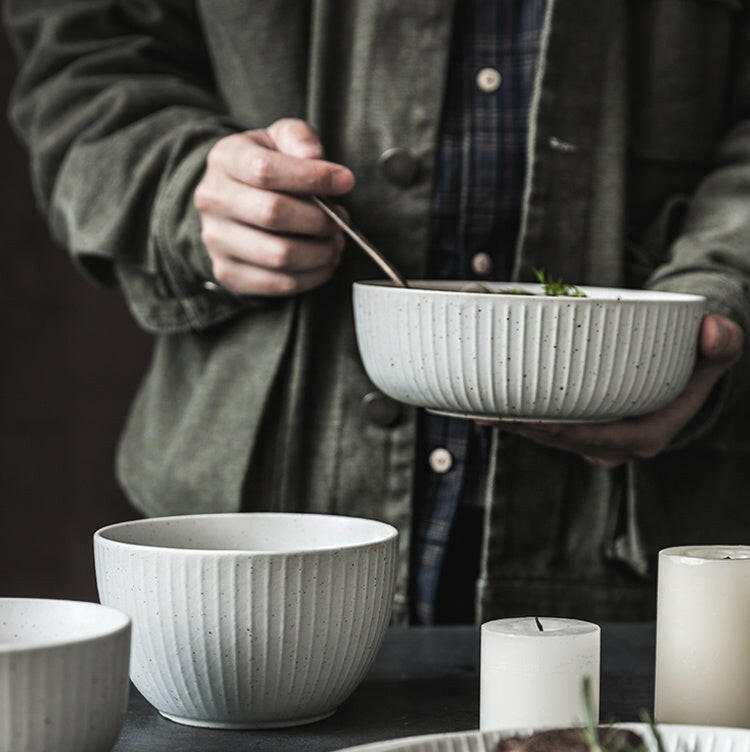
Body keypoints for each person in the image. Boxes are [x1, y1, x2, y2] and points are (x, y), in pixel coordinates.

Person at [5, 1, 749, 626]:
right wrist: (183, 188)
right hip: (244, 560)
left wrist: (721, 286)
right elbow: (84, 54)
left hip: (647, 562)